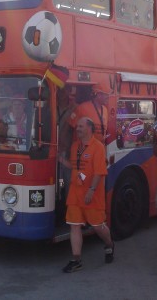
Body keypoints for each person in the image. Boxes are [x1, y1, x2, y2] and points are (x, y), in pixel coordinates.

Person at [58, 117, 114, 273]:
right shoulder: (76, 146)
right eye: (77, 127)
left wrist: (91, 190)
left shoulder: (98, 147)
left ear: (90, 128)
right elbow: (74, 166)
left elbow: (99, 172)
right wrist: (61, 160)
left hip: (92, 195)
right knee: (74, 225)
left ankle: (109, 244)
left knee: (98, 227)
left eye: (81, 126)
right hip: (75, 193)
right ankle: (76, 260)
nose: (78, 129)